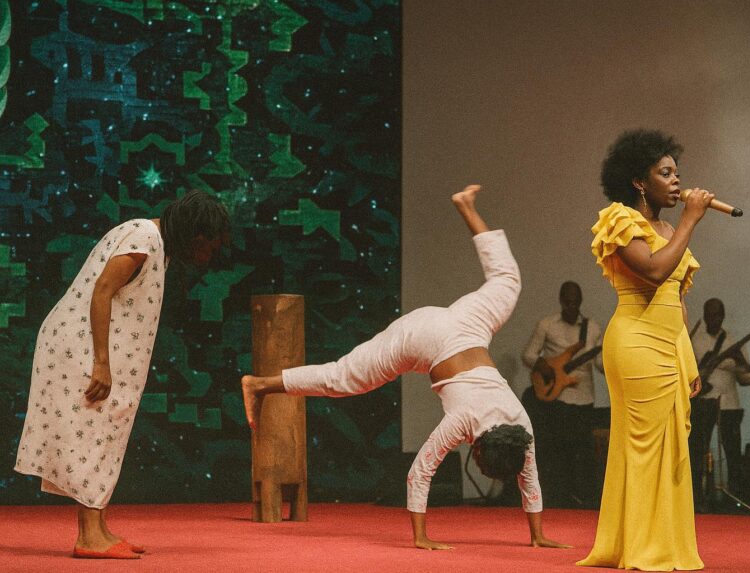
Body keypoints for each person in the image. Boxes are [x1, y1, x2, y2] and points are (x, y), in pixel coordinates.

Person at [242, 185, 568, 551]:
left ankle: (466, 205)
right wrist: (421, 537)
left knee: (507, 280)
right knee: (343, 377)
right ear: (476, 450)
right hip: (424, 338)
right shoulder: (465, 420)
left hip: (469, 326)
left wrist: (538, 536)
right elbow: (421, 471)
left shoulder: (521, 427)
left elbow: (527, 476)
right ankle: (259, 384)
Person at [15, 190, 230, 559]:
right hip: (83, 348)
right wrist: (101, 362)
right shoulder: (144, 236)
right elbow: (102, 291)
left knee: (106, 432)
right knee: (94, 433)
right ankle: (88, 536)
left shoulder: (156, 245)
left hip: (99, 349)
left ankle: (98, 528)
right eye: (207, 247)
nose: (207, 257)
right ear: (195, 234)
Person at [577, 129, 711, 571]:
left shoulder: (668, 229)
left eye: (677, 173)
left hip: (668, 346)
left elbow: (677, 302)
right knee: (644, 445)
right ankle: (641, 547)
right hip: (635, 342)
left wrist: (688, 359)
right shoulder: (620, 220)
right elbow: (653, 273)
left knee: (670, 447)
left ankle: (663, 544)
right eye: (665, 173)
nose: (676, 181)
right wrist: (691, 219)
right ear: (639, 181)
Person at [521, 280, 603, 508]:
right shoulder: (547, 325)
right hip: (558, 397)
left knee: (583, 450)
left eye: (575, 302)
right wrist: (543, 366)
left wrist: (616, 364)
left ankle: (583, 498)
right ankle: (560, 499)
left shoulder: (593, 329)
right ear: (560, 300)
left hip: (584, 396)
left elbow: (600, 363)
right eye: (567, 302)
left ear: (580, 302)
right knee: (559, 450)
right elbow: (528, 354)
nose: (571, 306)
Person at [688, 298, 750, 510]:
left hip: (729, 404)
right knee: (698, 452)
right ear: (704, 316)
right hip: (702, 403)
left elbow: (746, 375)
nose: (712, 319)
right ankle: (698, 498)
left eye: (716, 315)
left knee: (733, 453)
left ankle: (734, 499)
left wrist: (739, 359)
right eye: (709, 314)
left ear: (723, 316)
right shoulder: (694, 340)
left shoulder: (733, 340)